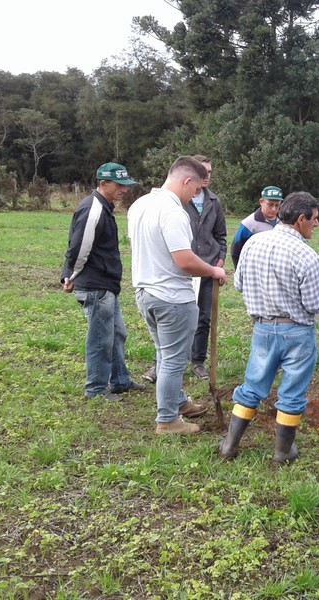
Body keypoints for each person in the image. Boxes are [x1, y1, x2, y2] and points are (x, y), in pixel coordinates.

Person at [218, 192, 319, 463]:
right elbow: (318, 305)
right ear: (301, 219)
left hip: (262, 329)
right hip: (297, 334)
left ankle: (229, 446)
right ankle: (283, 452)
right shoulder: (306, 255)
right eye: (314, 219)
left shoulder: (253, 243)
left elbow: (239, 285)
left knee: (251, 387)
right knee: (292, 392)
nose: (316, 225)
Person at [128, 156, 227, 435]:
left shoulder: (140, 205)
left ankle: (178, 401)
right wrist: (213, 271)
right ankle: (168, 420)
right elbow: (184, 260)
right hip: (171, 297)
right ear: (186, 181)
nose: (195, 196)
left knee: (164, 353)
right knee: (172, 360)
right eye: (195, 190)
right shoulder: (173, 212)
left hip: (146, 292)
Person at [61, 162, 144, 401]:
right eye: (119, 185)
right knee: (100, 339)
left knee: (117, 334)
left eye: (126, 185)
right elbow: (79, 248)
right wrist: (70, 276)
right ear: (102, 183)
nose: (124, 190)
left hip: (106, 285)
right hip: (95, 286)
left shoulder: (103, 207)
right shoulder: (93, 209)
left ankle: (119, 381)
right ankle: (96, 390)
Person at [142, 155, 227, 383]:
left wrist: (218, 260)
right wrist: (209, 269)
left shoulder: (213, 202)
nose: (206, 178)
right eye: (203, 175)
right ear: (188, 179)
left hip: (203, 268)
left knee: (202, 318)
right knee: (171, 338)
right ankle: (159, 372)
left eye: (209, 173)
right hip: (176, 277)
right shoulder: (174, 206)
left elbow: (221, 236)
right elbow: (179, 255)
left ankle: (197, 362)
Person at [229, 185, 283, 267]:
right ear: (261, 201)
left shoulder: (285, 222)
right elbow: (236, 251)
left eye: (277, 205)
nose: (274, 209)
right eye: (270, 204)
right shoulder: (248, 224)